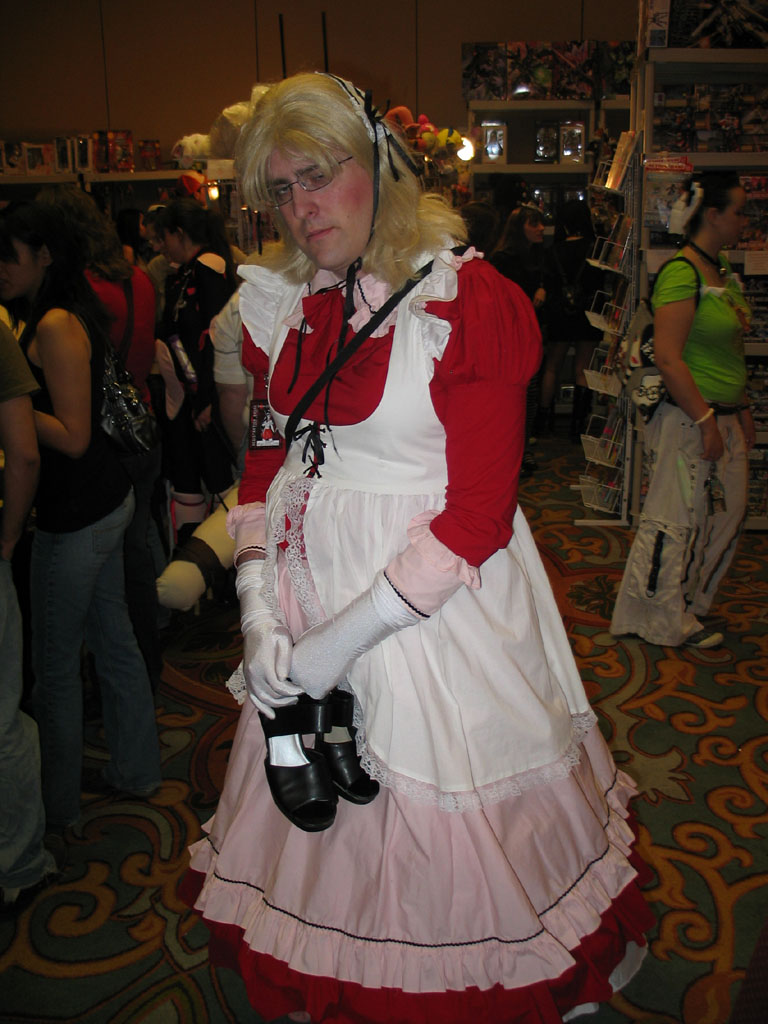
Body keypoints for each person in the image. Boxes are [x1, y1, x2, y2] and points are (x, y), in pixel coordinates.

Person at [180, 72, 653, 1024]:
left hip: (433, 608)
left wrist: (331, 649)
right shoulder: (282, 302)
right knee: (325, 824)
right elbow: (267, 466)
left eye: (320, 176)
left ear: (382, 165)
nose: (302, 209)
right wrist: (261, 611)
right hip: (306, 595)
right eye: (281, 189)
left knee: (446, 812)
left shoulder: (463, 300)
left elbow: (476, 517)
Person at [0, 202, 162, 834]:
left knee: (56, 668)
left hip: (80, 513)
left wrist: (13, 409)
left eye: (9, 255)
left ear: (45, 256)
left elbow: (72, 436)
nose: (1, 268)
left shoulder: (56, 322)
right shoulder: (58, 315)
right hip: (99, 503)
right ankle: (136, 771)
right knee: (114, 644)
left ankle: (58, 808)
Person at [611, 171, 753, 649]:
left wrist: (741, 407)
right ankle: (657, 618)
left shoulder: (722, 269)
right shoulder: (681, 273)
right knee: (674, 519)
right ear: (712, 214)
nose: (745, 220)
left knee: (726, 515)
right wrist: (707, 421)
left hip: (722, 414)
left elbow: (730, 349)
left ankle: (689, 604)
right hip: (688, 417)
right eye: (739, 211)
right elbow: (670, 359)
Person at [36, 184, 165, 691]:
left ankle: (131, 668)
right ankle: (147, 663)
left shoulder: (77, 299)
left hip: (105, 444)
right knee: (134, 559)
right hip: (141, 426)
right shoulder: (139, 278)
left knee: (112, 577)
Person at [0, 320, 62, 912]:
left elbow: (54, 443)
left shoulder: (54, 323)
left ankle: (20, 861)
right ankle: (20, 863)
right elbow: (24, 451)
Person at [155, 198, 239, 544]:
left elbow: (216, 336)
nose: (160, 246)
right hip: (185, 398)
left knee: (218, 479)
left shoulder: (208, 267)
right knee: (189, 478)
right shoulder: (184, 273)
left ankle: (222, 560)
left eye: (163, 237)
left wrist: (207, 399)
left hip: (207, 398)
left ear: (178, 233)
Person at [490, 204, 552, 475]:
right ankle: (515, 451)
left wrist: (542, 289)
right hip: (511, 337)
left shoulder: (539, 254)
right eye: (533, 223)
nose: (540, 228)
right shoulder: (502, 259)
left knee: (529, 394)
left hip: (532, 332)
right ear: (519, 228)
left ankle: (523, 449)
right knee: (517, 395)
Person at [540, 199, 605, 440]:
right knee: (583, 369)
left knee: (552, 367)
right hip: (588, 314)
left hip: (560, 314)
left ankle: (543, 420)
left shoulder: (553, 251)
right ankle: (578, 426)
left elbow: (548, 283)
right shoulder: (595, 249)